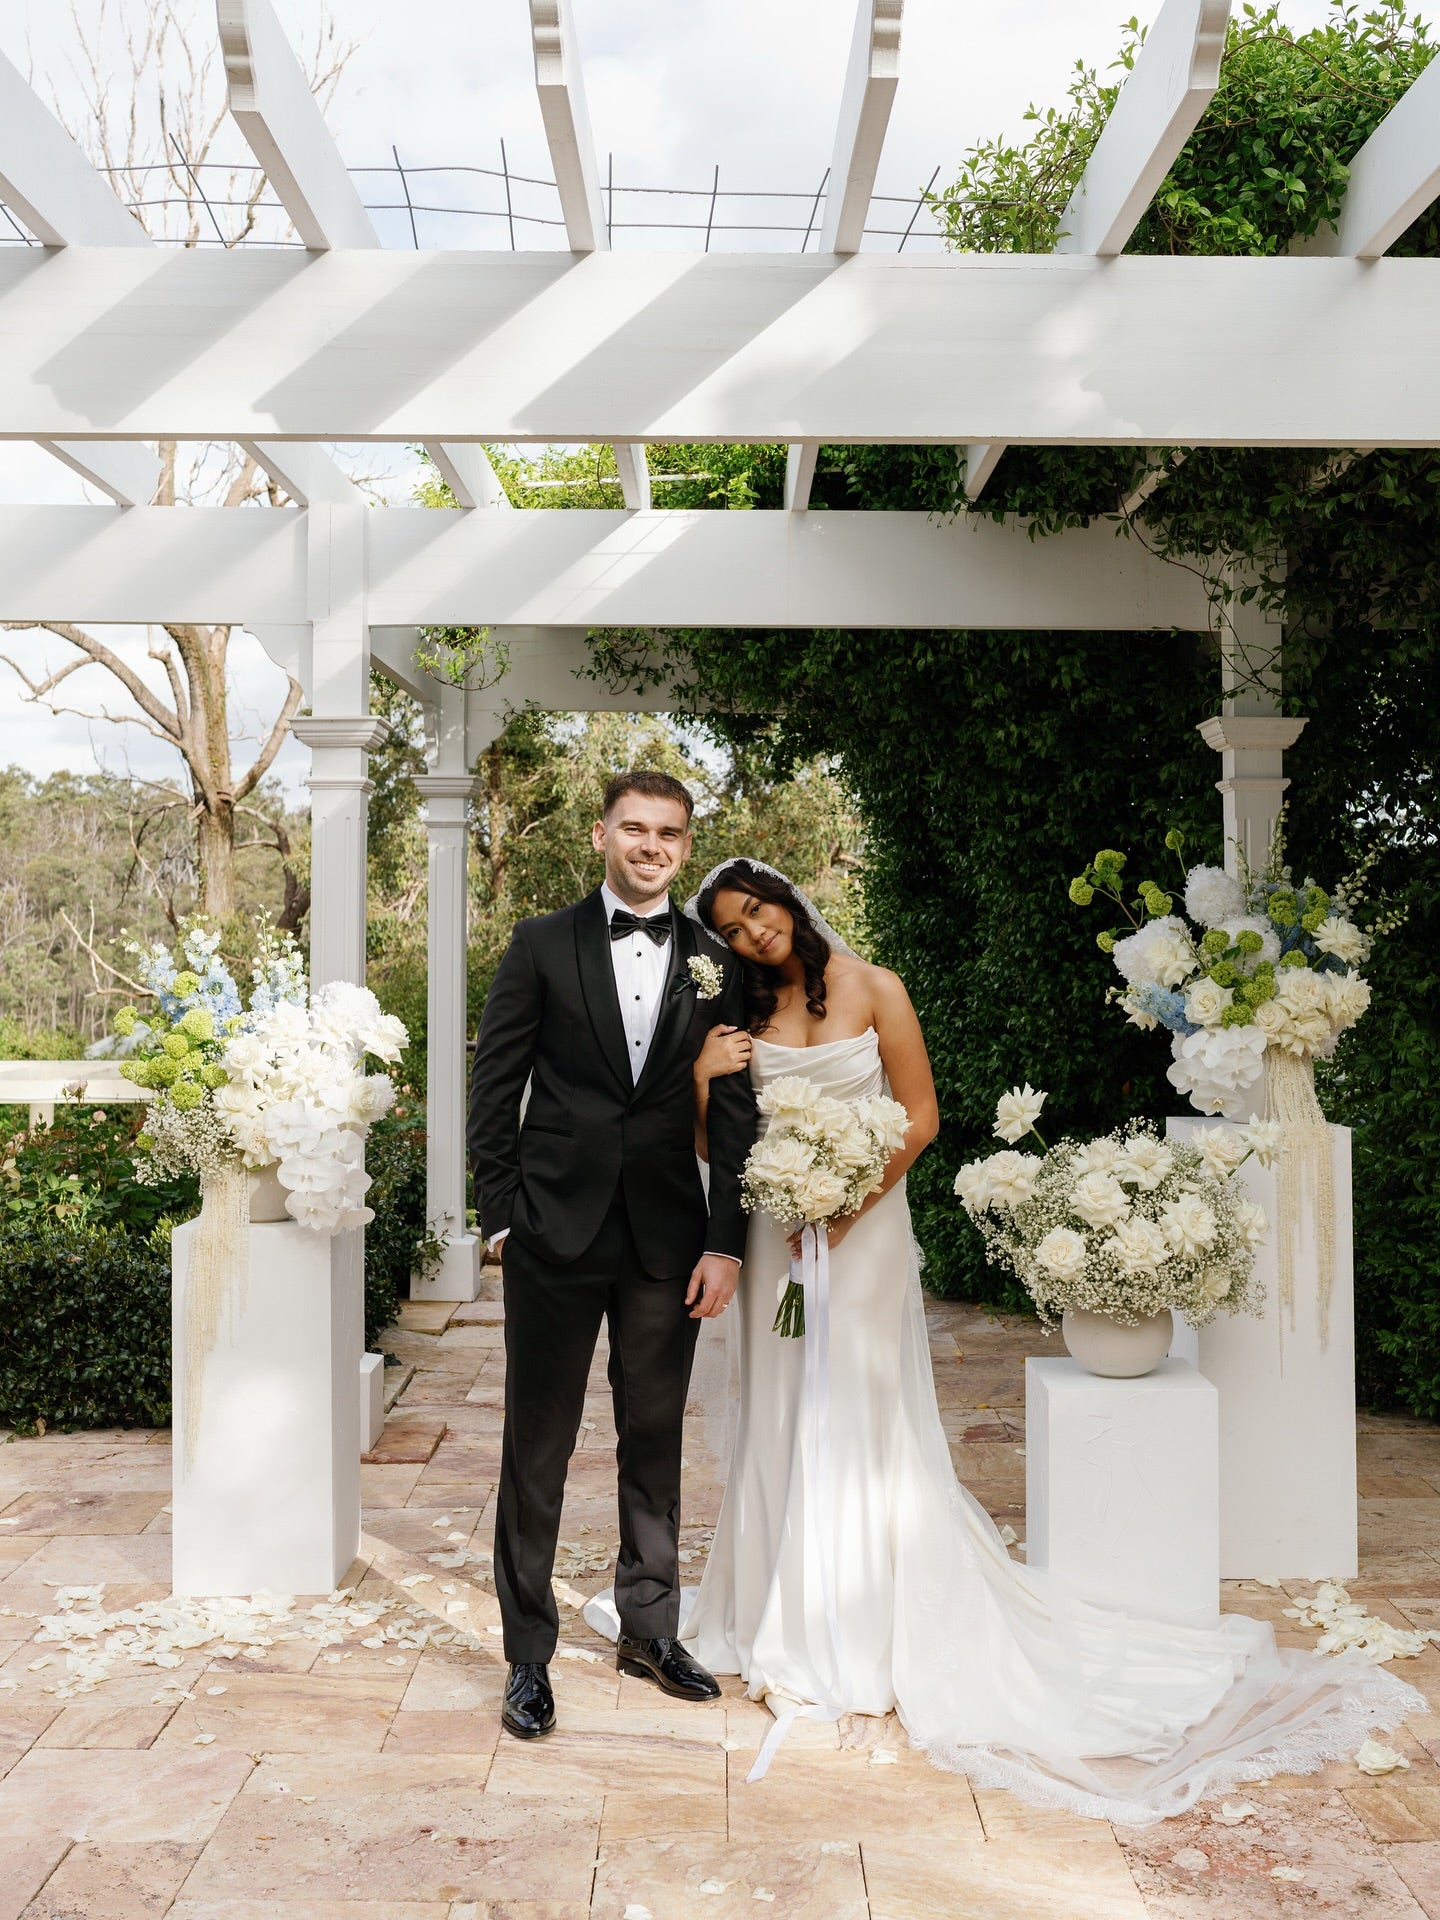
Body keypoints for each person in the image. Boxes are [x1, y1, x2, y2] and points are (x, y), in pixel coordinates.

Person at [672, 857, 1422, 1825]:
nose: (754, 934)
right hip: (780, 1232)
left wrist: (847, 1205)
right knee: (779, 1404)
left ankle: (864, 1617)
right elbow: (720, 1148)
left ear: (785, 900)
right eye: (733, 929)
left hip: (864, 1230)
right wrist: (704, 1082)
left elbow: (920, 1117)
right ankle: (779, 1604)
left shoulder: (876, 986)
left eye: (758, 912)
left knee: (863, 1406)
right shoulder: (737, 1019)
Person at [467, 772, 758, 1742]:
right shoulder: (541, 944)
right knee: (537, 1445)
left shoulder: (715, 959)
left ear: (685, 846)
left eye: (668, 833)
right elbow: (495, 1081)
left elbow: (735, 1108)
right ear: (601, 835)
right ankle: (528, 1655)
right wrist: (501, 1218)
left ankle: (650, 1630)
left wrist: (725, 1240)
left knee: (654, 1436)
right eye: (634, 828)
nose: (650, 846)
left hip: (667, 1236)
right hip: (553, 1229)